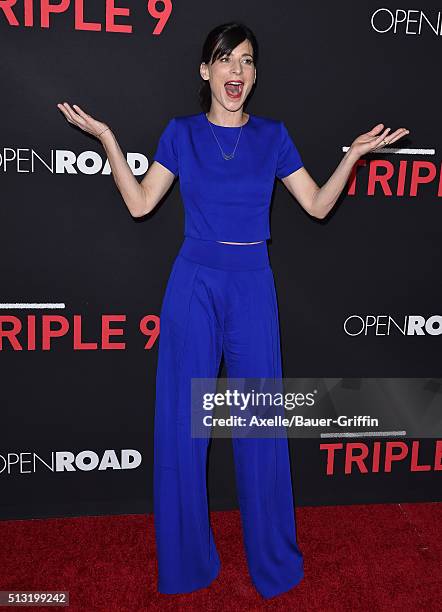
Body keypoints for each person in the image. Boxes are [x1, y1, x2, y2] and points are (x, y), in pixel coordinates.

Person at [57, 21, 409, 600]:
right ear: (206, 71)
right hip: (192, 283)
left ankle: (273, 561)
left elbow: (318, 206)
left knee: (259, 428)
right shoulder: (181, 134)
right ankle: (188, 563)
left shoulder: (273, 136)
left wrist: (356, 157)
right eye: (225, 60)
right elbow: (142, 203)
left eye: (246, 61)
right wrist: (109, 142)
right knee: (181, 428)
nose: (236, 72)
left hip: (252, 285)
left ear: (254, 73)